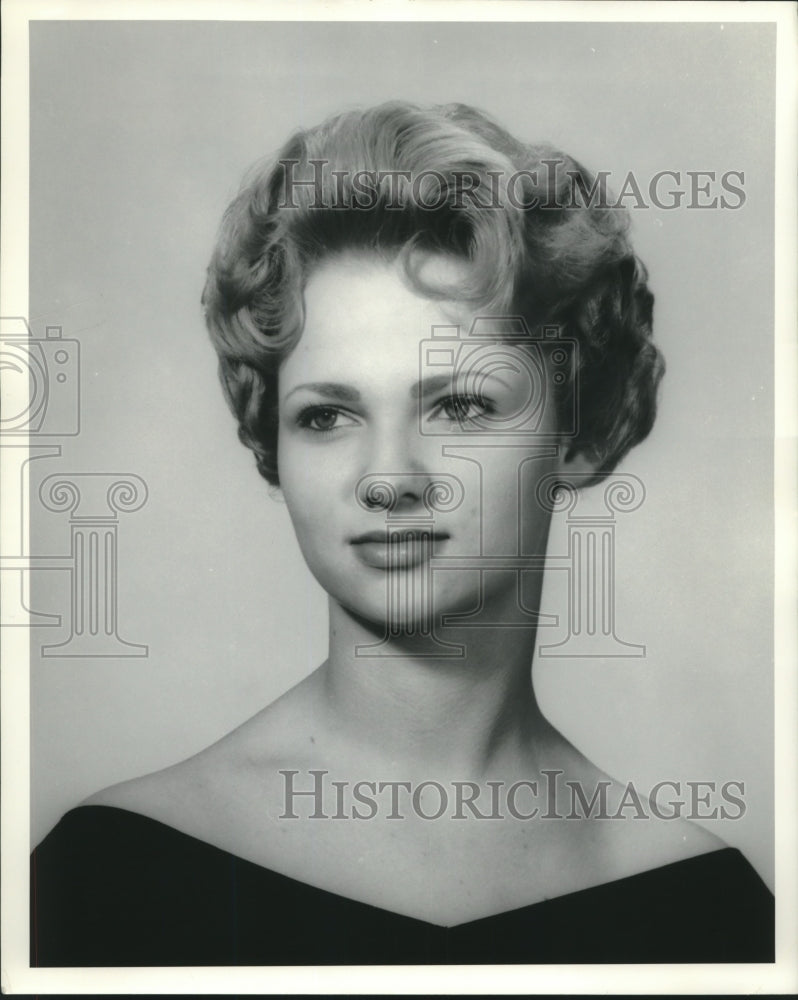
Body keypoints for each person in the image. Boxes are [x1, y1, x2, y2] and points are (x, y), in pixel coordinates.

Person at [30, 101, 773, 966]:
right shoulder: (110, 878)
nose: (388, 477)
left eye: (459, 405)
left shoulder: (707, 911)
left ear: (583, 429)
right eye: (328, 415)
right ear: (273, 442)